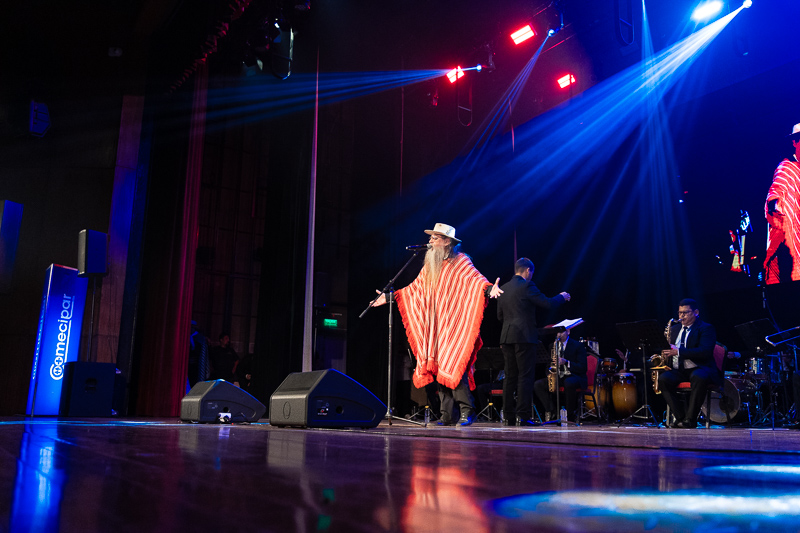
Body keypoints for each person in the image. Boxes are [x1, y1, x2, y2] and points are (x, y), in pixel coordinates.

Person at [372, 223, 503, 426]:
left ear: (447, 241)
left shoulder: (461, 261)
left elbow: (475, 281)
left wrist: (489, 289)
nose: (430, 241)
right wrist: (389, 297)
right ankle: (447, 415)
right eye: (430, 237)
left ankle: (468, 411)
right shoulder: (430, 266)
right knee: (440, 368)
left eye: (435, 238)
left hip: (455, 326)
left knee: (454, 365)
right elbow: (413, 290)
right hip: (437, 327)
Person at [497, 257, 570, 426]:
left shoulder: (503, 288)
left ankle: (508, 416)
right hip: (524, 336)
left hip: (507, 336)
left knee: (509, 377)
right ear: (528, 270)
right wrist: (561, 297)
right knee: (525, 376)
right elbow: (547, 303)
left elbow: (500, 316)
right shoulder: (527, 286)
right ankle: (522, 416)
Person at [657, 298, 722, 428]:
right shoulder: (674, 329)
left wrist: (678, 352)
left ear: (696, 312)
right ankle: (681, 417)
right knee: (663, 379)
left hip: (699, 367)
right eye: (680, 313)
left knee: (699, 377)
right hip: (679, 369)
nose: (681, 316)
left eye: (686, 313)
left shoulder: (706, 328)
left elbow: (705, 351)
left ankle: (690, 420)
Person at [764, 122, 800, 284]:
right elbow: (775, 192)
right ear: (794, 143)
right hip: (793, 248)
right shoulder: (787, 168)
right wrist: (776, 206)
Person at [533, 327, 587, 423]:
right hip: (558, 376)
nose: (559, 334)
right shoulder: (552, 346)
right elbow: (548, 364)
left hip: (574, 375)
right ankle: (553, 412)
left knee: (568, 383)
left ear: (568, 332)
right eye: (557, 332)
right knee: (538, 384)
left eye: (561, 332)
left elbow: (583, 367)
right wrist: (549, 373)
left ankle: (570, 416)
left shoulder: (578, 345)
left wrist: (566, 362)